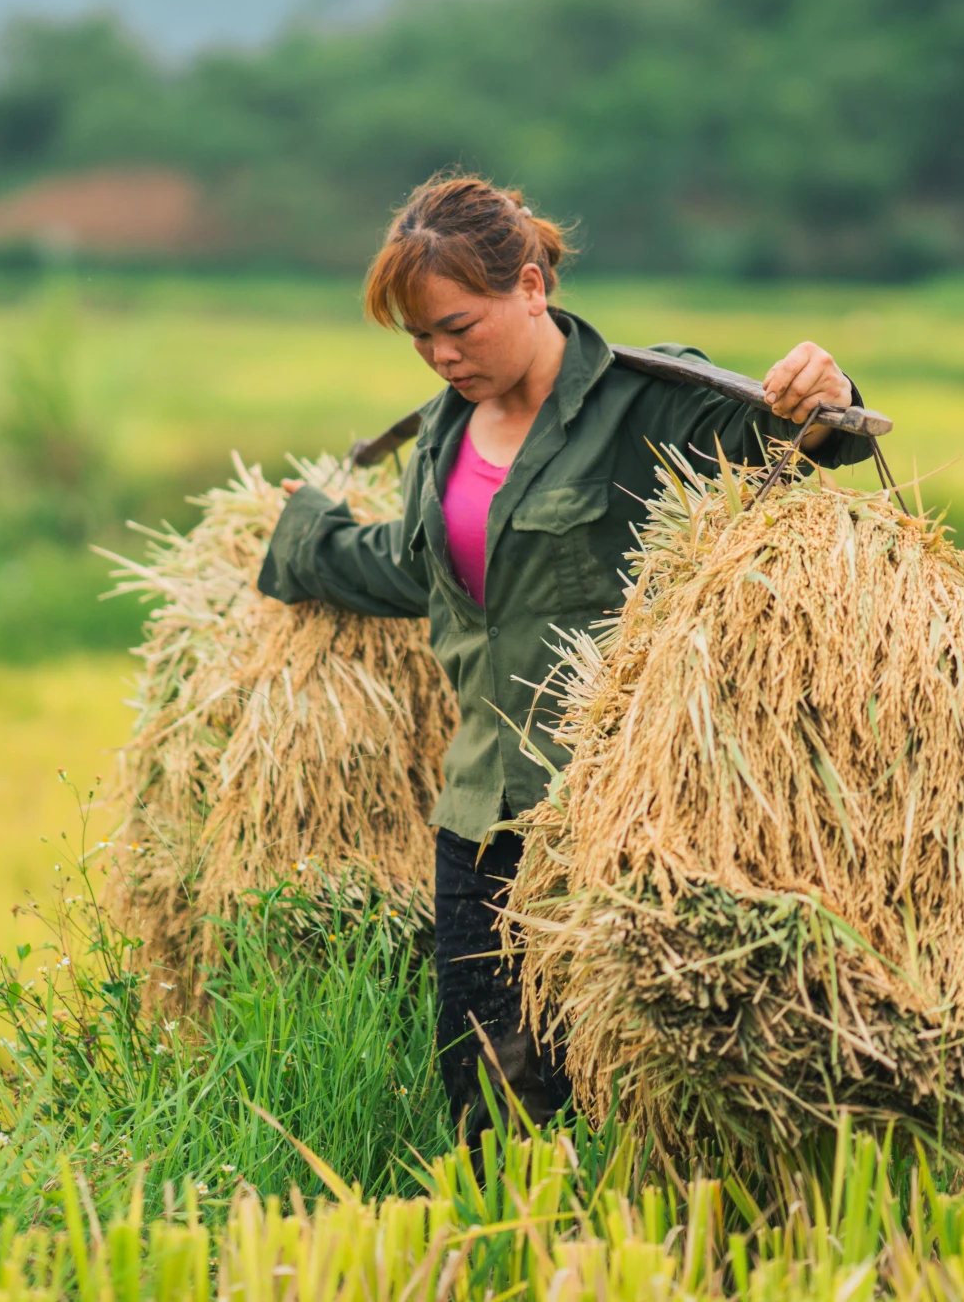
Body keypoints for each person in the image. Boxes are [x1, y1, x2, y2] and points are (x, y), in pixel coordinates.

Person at [256, 174, 873, 1141]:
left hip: (610, 823)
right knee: (485, 1104)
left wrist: (825, 396)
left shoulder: (646, 405)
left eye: (458, 325)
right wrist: (300, 536)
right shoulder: (442, 436)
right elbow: (421, 571)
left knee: (622, 1100)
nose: (440, 354)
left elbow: (789, 440)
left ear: (533, 286)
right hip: (477, 820)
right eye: (420, 338)